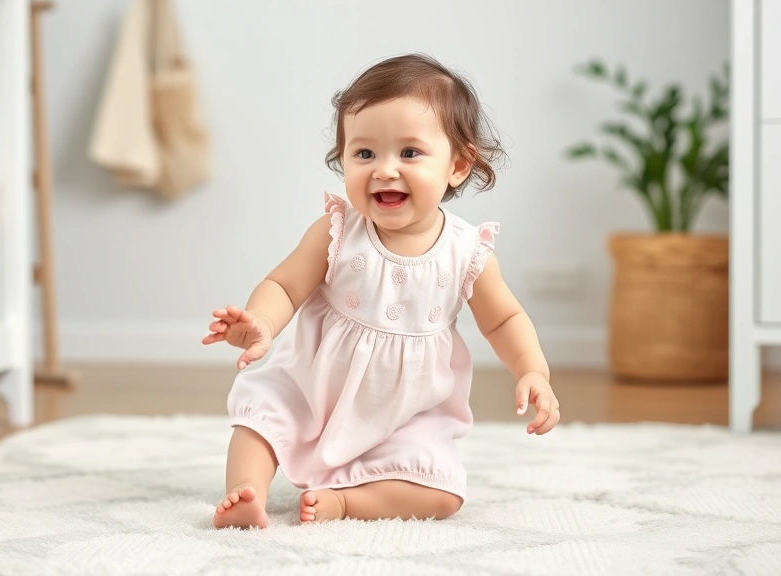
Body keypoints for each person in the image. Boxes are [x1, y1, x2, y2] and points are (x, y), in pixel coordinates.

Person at [202, 53, 560, 530]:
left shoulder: (466, 251)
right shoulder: (337, 231)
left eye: (409, 153)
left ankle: (347, 501)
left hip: (404, 413)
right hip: (313, 385)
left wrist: (532, 370)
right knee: (261, 419)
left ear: (457, 165)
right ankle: (246, 495)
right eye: (364, 153)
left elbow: (503, 320)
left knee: (443, 493)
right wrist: (261, 322)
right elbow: (284, 286)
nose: (384, 170)